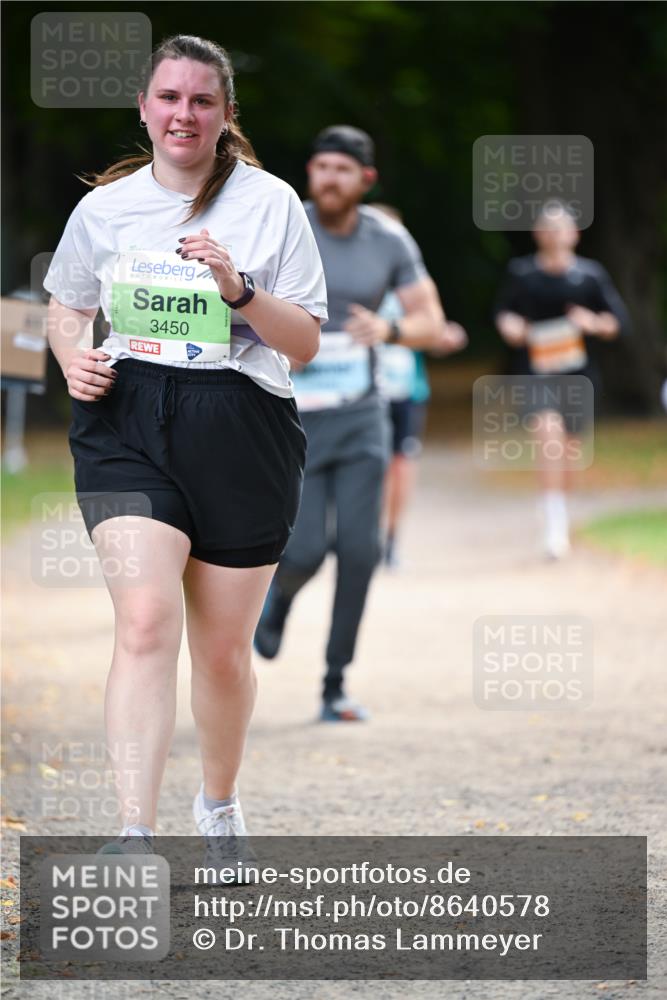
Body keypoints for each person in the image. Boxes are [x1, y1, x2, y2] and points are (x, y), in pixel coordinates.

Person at [43, 34, 327, 854]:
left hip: (241, 422)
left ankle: (220, 803)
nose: (183, 114)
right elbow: (64, 306)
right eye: (169, 97)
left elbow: (303, 341)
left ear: (225, 115)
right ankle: (134, 829)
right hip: (127, 419)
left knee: (223, 654)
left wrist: (236, 286)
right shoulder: (104, 209)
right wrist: (73, 360)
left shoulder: (270, 204)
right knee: (142, 621)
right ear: (144, 106)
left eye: (202, 100)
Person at [253, 125, 448, 722]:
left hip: (363, 413)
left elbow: (431, 321)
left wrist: (388, 331)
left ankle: (335, 683)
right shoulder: (285, 225)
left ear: (365, 179)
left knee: (362, 551)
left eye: (342, 169)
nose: (328, 178)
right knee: (307, 549)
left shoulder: (389, 239)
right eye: (320, 167)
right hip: (293, 416)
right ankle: (278, 601)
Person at [493, 200, 629, 558]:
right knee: (548, 435)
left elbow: (617, 323)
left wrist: (593, 323)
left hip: (577, 373)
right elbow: (504, 313)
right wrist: (511, 327)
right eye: (546, 227)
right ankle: (554, 524)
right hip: (536, 371)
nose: (553, 233)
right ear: (537, 234)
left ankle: (559, 509)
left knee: (569, 450)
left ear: (575, 233)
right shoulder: (522, 273)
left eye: (560, 227)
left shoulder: (589, 275)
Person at [372, 205, 468, 569]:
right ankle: (367, 537)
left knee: (401, 465)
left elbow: (435, 328)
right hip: (363, 391)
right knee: (369, 467)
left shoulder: (412, 284)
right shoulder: (351, 277)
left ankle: (392, 540)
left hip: (406, 389)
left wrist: (446, 336)